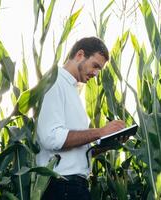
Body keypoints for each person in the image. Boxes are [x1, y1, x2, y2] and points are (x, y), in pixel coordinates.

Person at [36, 37, 126, 200]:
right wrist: (100, 131)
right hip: (61, 187)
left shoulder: (72, 90)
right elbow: (51, 138)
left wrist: (107, 143)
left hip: (73, 187)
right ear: (80, 55)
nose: (96, 74)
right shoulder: (54, 82)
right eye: (95, 66)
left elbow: (74, 152)